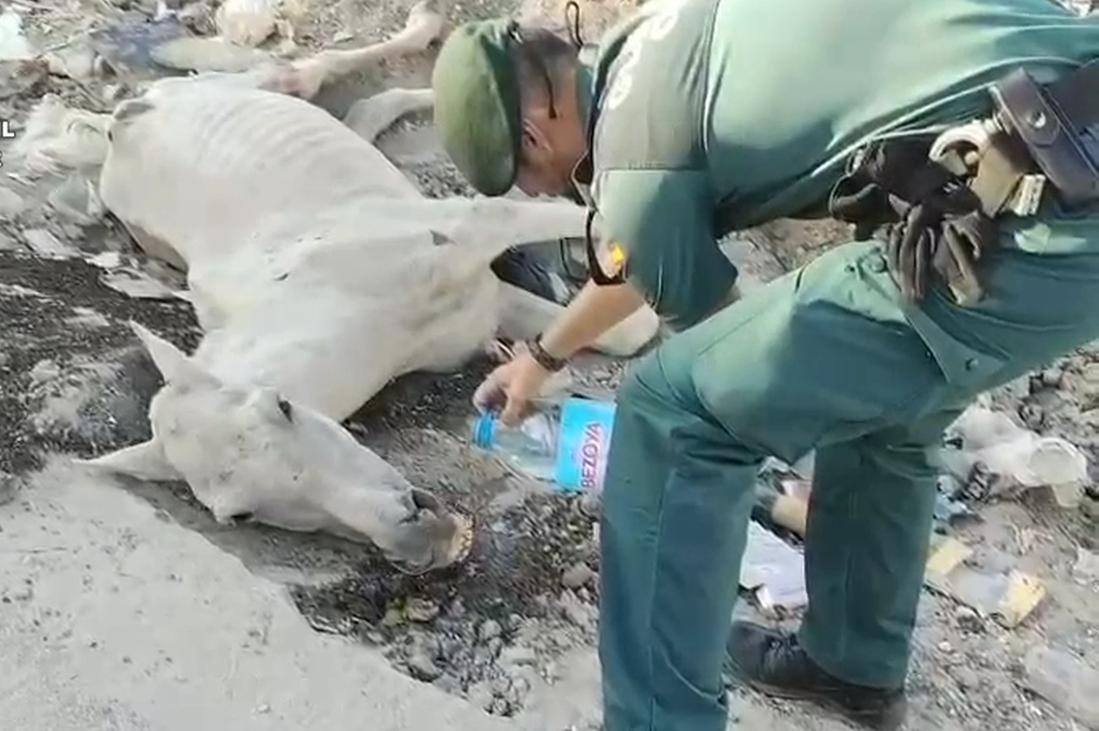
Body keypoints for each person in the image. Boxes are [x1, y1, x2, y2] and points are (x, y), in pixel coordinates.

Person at [430, 1, 1099, 730]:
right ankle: (852, 664)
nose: (541, 194)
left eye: (525, 178)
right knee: (882, 392)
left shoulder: (637, 168)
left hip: (1038, 217)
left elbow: (720, 364)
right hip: (1059, 130)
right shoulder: (661, 42)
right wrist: (543, 355)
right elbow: (636, 250)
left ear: (534, 133)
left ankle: (658, 718)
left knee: (671, 410)